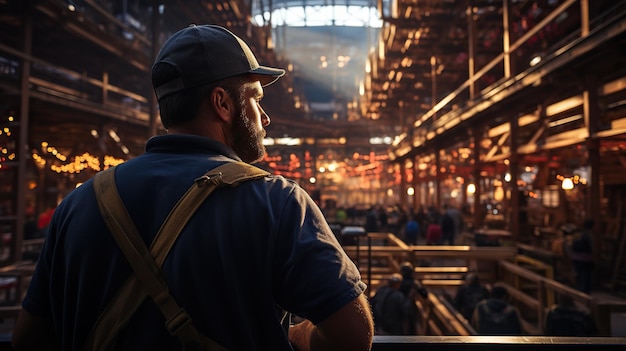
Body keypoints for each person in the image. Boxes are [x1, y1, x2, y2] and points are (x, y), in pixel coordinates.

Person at [12, 24, 373, 351]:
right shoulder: (276, 201)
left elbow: (29, 338)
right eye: (257, 99)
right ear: (223, 103)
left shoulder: (79, 203)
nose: (265, 118)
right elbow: (353, 336)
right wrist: (296, 335)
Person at [398, 262, 428, 335]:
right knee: (410, 328)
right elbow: (424, 293)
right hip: (410, 307)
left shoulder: (399, 283)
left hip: (398, 307)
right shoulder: (414, 283)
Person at [568, 218, 595, 294]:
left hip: (576, 257)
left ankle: (579, 290)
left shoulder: (577, 234)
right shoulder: (588, 235)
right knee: (585, 276)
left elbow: (571, 244)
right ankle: (584, 292)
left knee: (579, 275)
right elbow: (591, 247)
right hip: (586, 258)